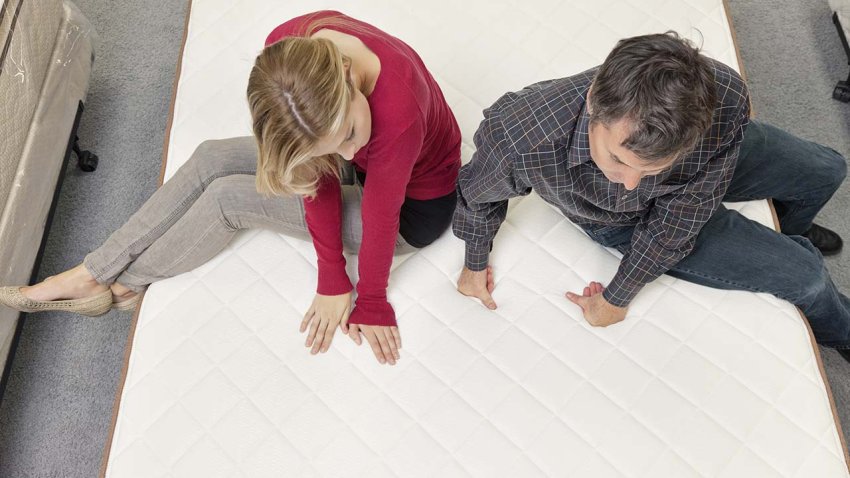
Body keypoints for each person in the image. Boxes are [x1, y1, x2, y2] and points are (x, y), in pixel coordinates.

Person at [0, 10, 461, 366]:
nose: (341, 154)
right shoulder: (291, 49)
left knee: (228, 199)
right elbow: (316, 175)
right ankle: (90, 273)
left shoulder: (395, 113)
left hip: (412, 208)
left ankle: (125, 283)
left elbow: (381, 217)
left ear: (345, 74)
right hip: (373, 166)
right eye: (331, 145)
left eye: (348, 135)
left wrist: (360, 293)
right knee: (211, 157)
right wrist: (336, 153)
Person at [453, 32, 850, 362]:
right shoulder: (521, 136)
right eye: (616, 160)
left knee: (828, 170)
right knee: (809, 277)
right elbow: (477, 193)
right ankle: (844, 333)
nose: (630, 185)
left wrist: (615, 297)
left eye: (651, 170)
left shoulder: (725, 97)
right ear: (594, 101)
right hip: (620, 222)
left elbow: (679, 218)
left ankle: (789, 226)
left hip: (703, 167)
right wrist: (475, 263)